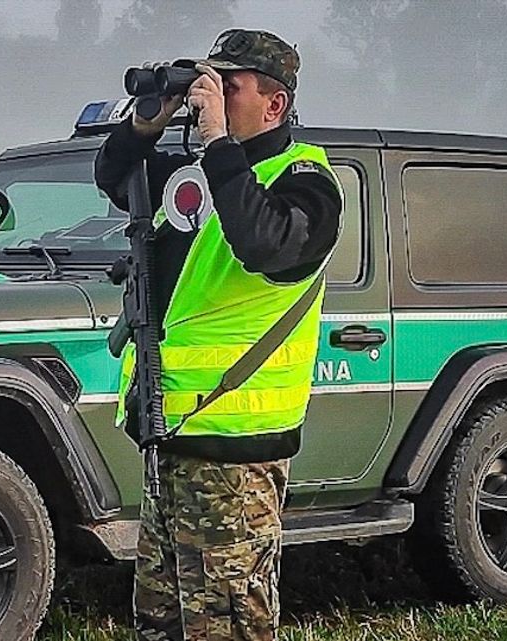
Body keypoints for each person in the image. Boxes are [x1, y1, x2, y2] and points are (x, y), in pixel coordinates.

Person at [95, 29, 343, 641]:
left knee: (227, 620)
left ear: (274, 104)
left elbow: (265, 245)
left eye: (229, 87)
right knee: (162, 615)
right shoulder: (205, 173)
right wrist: (147, 125)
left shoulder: (307, 181)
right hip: (171, 427)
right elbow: (111, 175)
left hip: (237, 444)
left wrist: (216, 144)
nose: (212, 98)